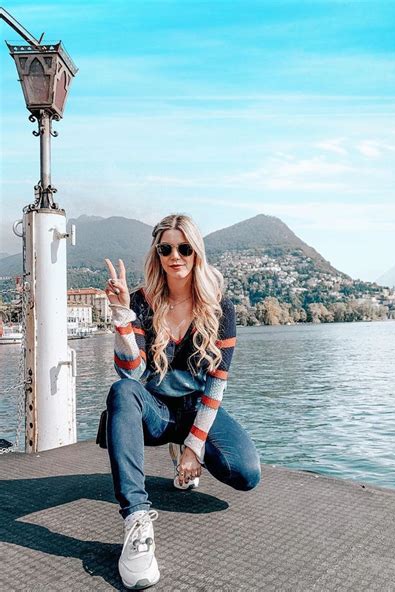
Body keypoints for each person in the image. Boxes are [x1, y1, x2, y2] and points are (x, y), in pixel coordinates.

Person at [104, 213, 261, 590]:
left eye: (184, 248)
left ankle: (181, 447)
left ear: (196, 253)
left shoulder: (221, 310)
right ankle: (137, 519)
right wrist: (122, 316)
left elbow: (216, 386)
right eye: (166, 248)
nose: (176, 255)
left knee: (246, 474)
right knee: (121, 392)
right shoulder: (141, 302)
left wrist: (194, 444)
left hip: (195, 409)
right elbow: (130, 372)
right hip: (154, 410)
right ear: (157, 254)